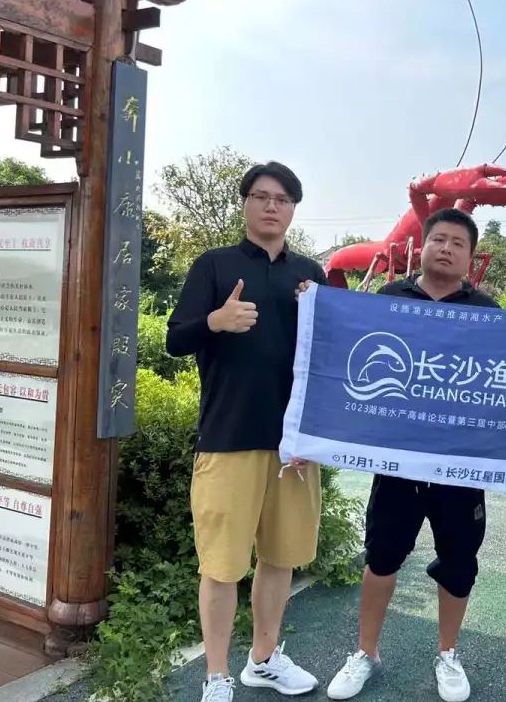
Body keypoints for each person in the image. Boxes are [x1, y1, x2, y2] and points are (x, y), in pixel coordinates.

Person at [166, 160, 327, 702]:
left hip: (294, 446)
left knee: (280, 558)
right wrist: (215, 321)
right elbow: (175, 339)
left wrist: (316, 435)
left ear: (293, 208)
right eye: (261, 196)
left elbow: (329, 356)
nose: (271, 206)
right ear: (246, 203)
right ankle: (216, 674)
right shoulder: (215, 265)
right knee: (221, 566)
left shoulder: (309, 275)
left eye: (282, 199)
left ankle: (264, 658)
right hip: (229, 437)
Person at [326, 208, 498, 702]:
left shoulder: (487, 311)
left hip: (459, 464)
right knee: (381, 557)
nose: (447, 248)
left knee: (459, 562)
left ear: (470, 257)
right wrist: (315, 304)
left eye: (458, 243)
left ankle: (448, 654)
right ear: (422, 247)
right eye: (439, 239)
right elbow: (344, 351)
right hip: (397, 463)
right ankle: (365, 652)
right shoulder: (389, 299)